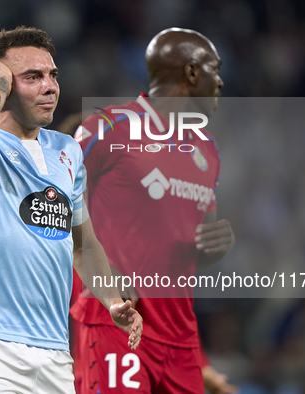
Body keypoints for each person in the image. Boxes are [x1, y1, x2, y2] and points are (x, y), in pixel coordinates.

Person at [0, 26, 143, 394]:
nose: (50, 87)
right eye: (32, 77)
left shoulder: (67, 150)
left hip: (53, 351)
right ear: (0, 84)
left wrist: (112, 301)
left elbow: (83, 245)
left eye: (52, 75)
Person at [70, 28, 238, 394]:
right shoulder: (108, 127)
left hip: (180, 338)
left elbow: (192, 249)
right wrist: (101, 273)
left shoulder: (207, 149)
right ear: (192, 72)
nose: (221, 81)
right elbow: (53, 206)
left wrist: (215, 249)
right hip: (115, 324)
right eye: (215, 68)